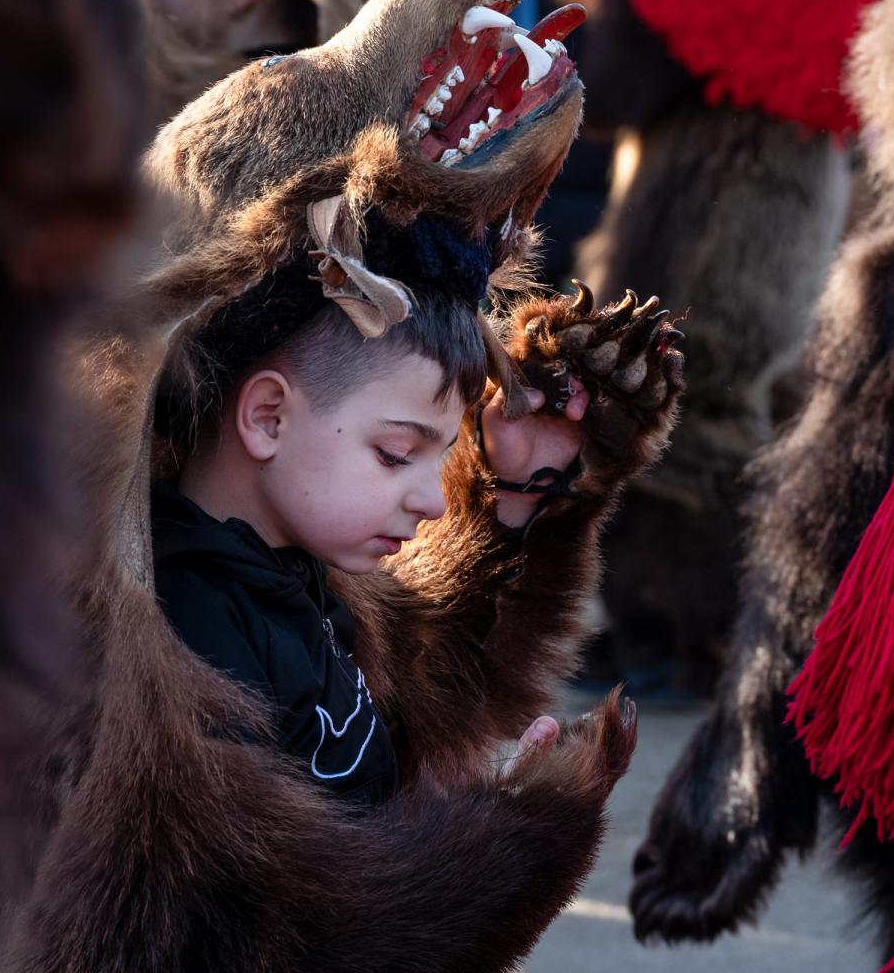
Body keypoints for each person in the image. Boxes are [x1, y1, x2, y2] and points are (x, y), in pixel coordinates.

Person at [151, 211, 588, 804]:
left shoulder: (302, 573)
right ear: (267, 417)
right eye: (394, 453)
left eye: (441, 457)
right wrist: (496, 838)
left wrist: (517, 488)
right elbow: (266, 887)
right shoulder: (191, 631)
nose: (435, 501)